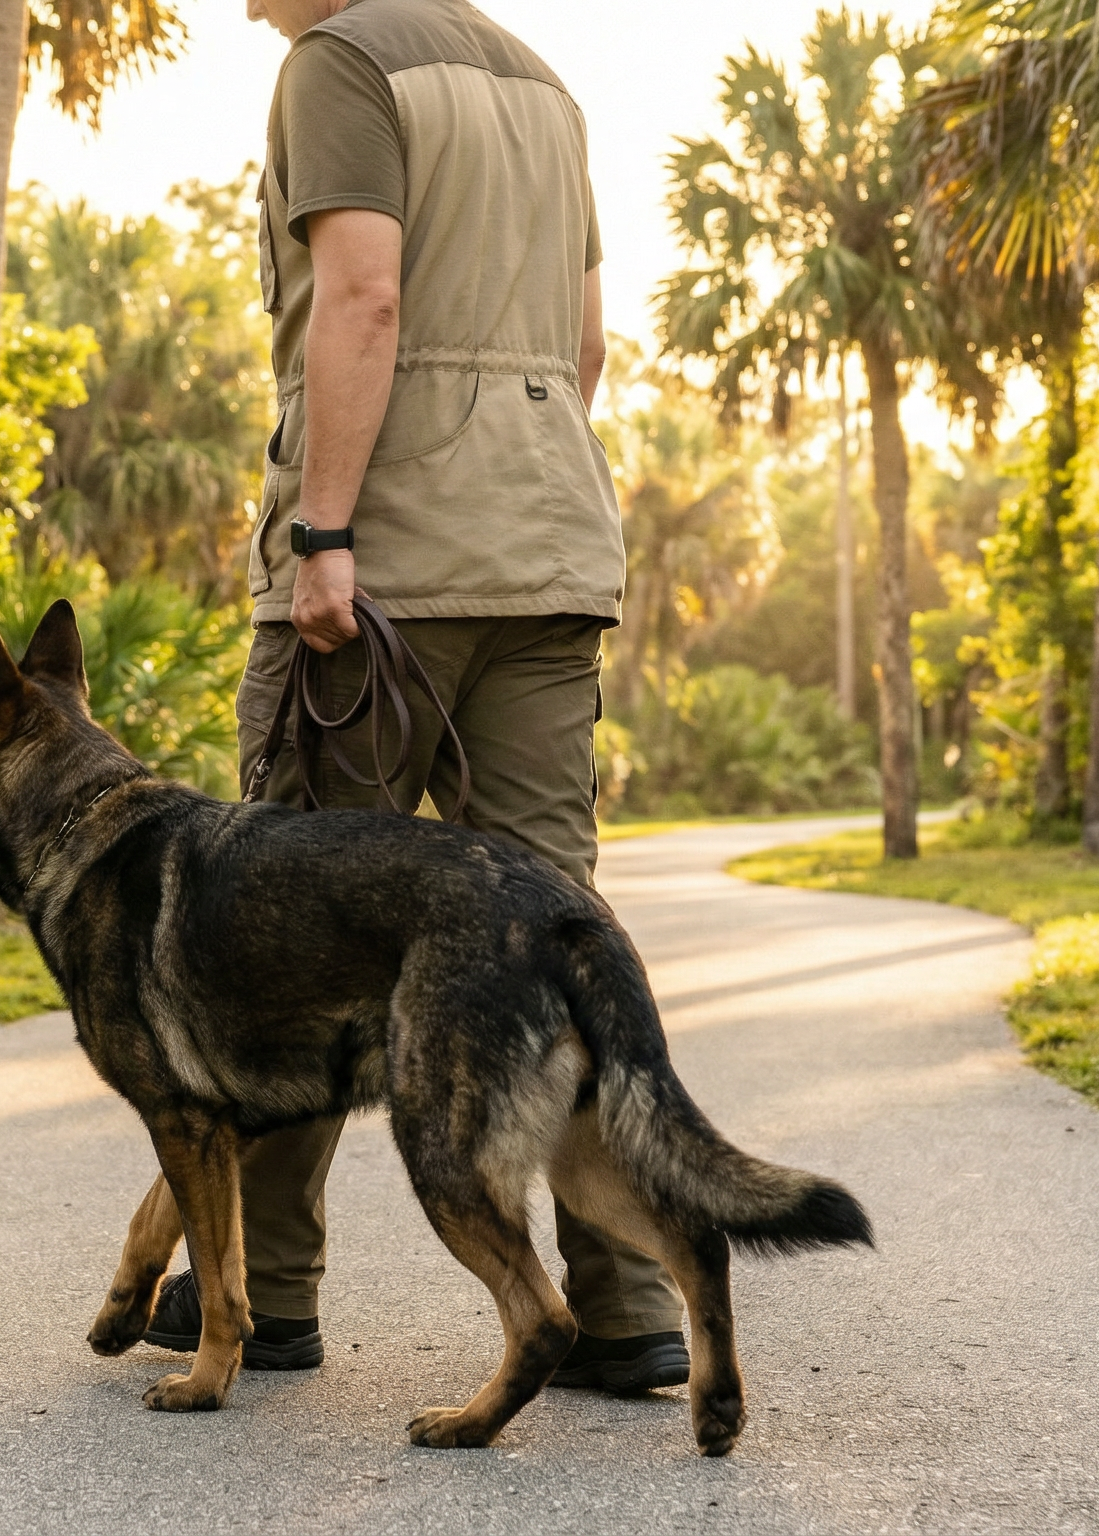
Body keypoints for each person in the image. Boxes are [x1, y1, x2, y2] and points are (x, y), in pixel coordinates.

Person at [138, 0, 688, 1395]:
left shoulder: (341, 64)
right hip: (549, 549)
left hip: (383, 579)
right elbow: (583, 347)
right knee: (559, 928)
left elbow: (363, 294)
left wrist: (325, 531)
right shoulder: (540, 81)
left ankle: (266, 1297)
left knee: (282, 931)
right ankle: (625, 1309)